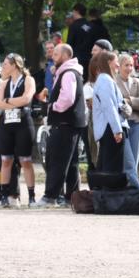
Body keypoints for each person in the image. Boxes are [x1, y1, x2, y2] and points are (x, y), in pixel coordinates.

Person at [37, 44, 86, 207]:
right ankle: (71, 198)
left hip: (64, 122)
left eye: (56, 54)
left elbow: (67, 98)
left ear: (65, 56)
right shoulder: (70, 72)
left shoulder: (68, 73)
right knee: (71, 162)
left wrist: (53, 107)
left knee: (57, 160)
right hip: (71, 123)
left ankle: (50, 196)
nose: (53, 56)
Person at [0, 53, 37, 207]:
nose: (3, 67)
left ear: (14, 65)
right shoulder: (4, 83)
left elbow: (26, 99)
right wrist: (12, 103)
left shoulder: (28, 80)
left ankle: (31, 196)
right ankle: (5, 195)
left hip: (23, 123)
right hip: (6, 123)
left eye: (5, 64)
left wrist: (8, 101)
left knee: (25, 160)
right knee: (6, 160)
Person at [90, 51, 127, 175]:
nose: (118, 64)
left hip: (107, 128)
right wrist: (117, 130)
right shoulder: (105, 80)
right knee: (113, 169)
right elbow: (109, 107)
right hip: (110, 129)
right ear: (108, 62)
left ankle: (102, 192)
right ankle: (109, 193)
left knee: (105, 166)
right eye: (116, 61)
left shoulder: (104, 80)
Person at [116, 53, 139, 189]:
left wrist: (128, 100)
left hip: (136, 125)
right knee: (128, 162)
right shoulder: (113, 82)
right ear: (119, 66)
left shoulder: (138, 82)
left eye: (131, 65)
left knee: (134, 160)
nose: (129, 68)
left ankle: (130, 190)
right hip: (121, 125)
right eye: (126, 65)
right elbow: (116, 103)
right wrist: (134, 101)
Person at [67, 3, 94, 73]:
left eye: (73, 12)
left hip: (77, 60)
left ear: (76, 12)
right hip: (90, 59)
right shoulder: (91, 26)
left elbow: (69, 44)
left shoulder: (73, 26)